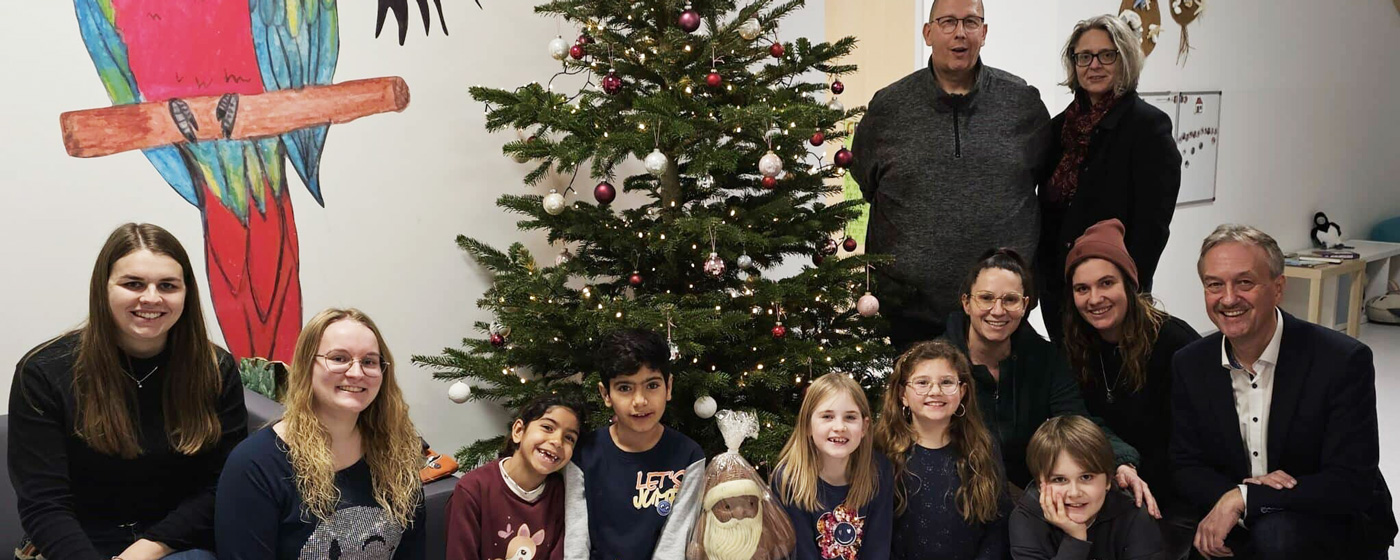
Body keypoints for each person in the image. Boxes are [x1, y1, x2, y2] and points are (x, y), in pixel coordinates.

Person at [9, 223, 245, 560]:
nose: (151, 298)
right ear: (103, 289)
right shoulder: (42, 372)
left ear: (186, 294)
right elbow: (45, 505)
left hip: (175, 543)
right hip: (72, 546)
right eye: (133, 284)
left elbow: (221, 486)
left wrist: (145, 550)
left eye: (168, 285)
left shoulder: (215, 369)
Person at [1171, 224, 1397, 559]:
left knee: (1277, 538)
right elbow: (1186, 465)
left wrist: (1245, 498)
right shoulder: (1190, 363)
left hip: (1326, 519)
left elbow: (1350, 482)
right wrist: (1234, 500)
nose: (1228, 298)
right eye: (1214, 285)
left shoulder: (1341, 361)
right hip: (1241, 520)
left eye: (1244, 282)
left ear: (1278, 288)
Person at [850, 0, 1050, 351]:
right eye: (947, 22)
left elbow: (1046, 182)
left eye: (970, 22)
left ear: (984, 33)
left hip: (1000, 313)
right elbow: (867, 181)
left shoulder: (1022, 103)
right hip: (909, 315)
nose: (960, 33)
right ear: (928, 33)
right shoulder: (889, 107)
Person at [939, 248, 1151, 509]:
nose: (998, 310)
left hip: (1031, 494)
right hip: (958, 492)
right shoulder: (938, 363)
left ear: (1025, 305)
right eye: (986, 298)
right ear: (966, 303)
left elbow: (1077, 420)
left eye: (1010, 300)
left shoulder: (1044, 357)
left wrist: (1121, 462)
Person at [215, 308, 426, 559]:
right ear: (307, 366)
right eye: (339, 358)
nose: (356, 373)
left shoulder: (397, 453)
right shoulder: (255, 465)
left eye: (369, 362)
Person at [1036, 14, 1181, 341]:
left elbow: (1153, 225)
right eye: (1084, 56)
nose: (1094, 65)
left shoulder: (1147, 127)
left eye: (1106, 55)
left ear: (1125, 58)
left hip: (1113, 294)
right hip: (1060, 289)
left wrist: (1127, 287)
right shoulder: (1059, 129)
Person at [1061, 219, 1199, 558]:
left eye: (1106, 283)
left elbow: (1195, 441)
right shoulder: (1075, 347)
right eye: (1082, 289)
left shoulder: (1175, 343)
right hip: (1111, 485)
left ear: (1130, 284)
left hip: (1174, 496)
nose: (1095, 299)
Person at [563, 329, 705, 560]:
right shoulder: (583, 454)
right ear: (606, 394)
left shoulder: (689, 456)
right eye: (625, 388)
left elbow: (675, 542)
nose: (640, 401)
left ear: (668, 387)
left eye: (652, 385)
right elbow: (576, 542)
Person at [874, 340, 1010, 560]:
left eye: (946, 382)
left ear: (962, 391)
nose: (935, 391)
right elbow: (875, 534)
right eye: (922, 383)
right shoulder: (881, 450)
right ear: (903, 394)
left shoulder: (983, 448)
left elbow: (997, 528)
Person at [446, 394, 585, 560]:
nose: (557, 441)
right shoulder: (473, 490)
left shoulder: (560, 493)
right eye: (548, 427)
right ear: (518, 431)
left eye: (569, 438)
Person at [771, 373, 894, 560]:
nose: (839, 427)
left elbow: (878, 548)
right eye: (827, 416)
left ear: (864, 427)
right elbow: (801, 554)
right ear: (807, 425)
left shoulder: (879, 471)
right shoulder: (788, 479)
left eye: (850, 417)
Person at [1009, 416, 1164, 560]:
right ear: (1039, 485)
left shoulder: (1133, 514)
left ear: (1108, 480)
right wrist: (1075, 540)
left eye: (1086, 477)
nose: (1074, 493)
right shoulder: (1026, 519)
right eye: (1059, 479)